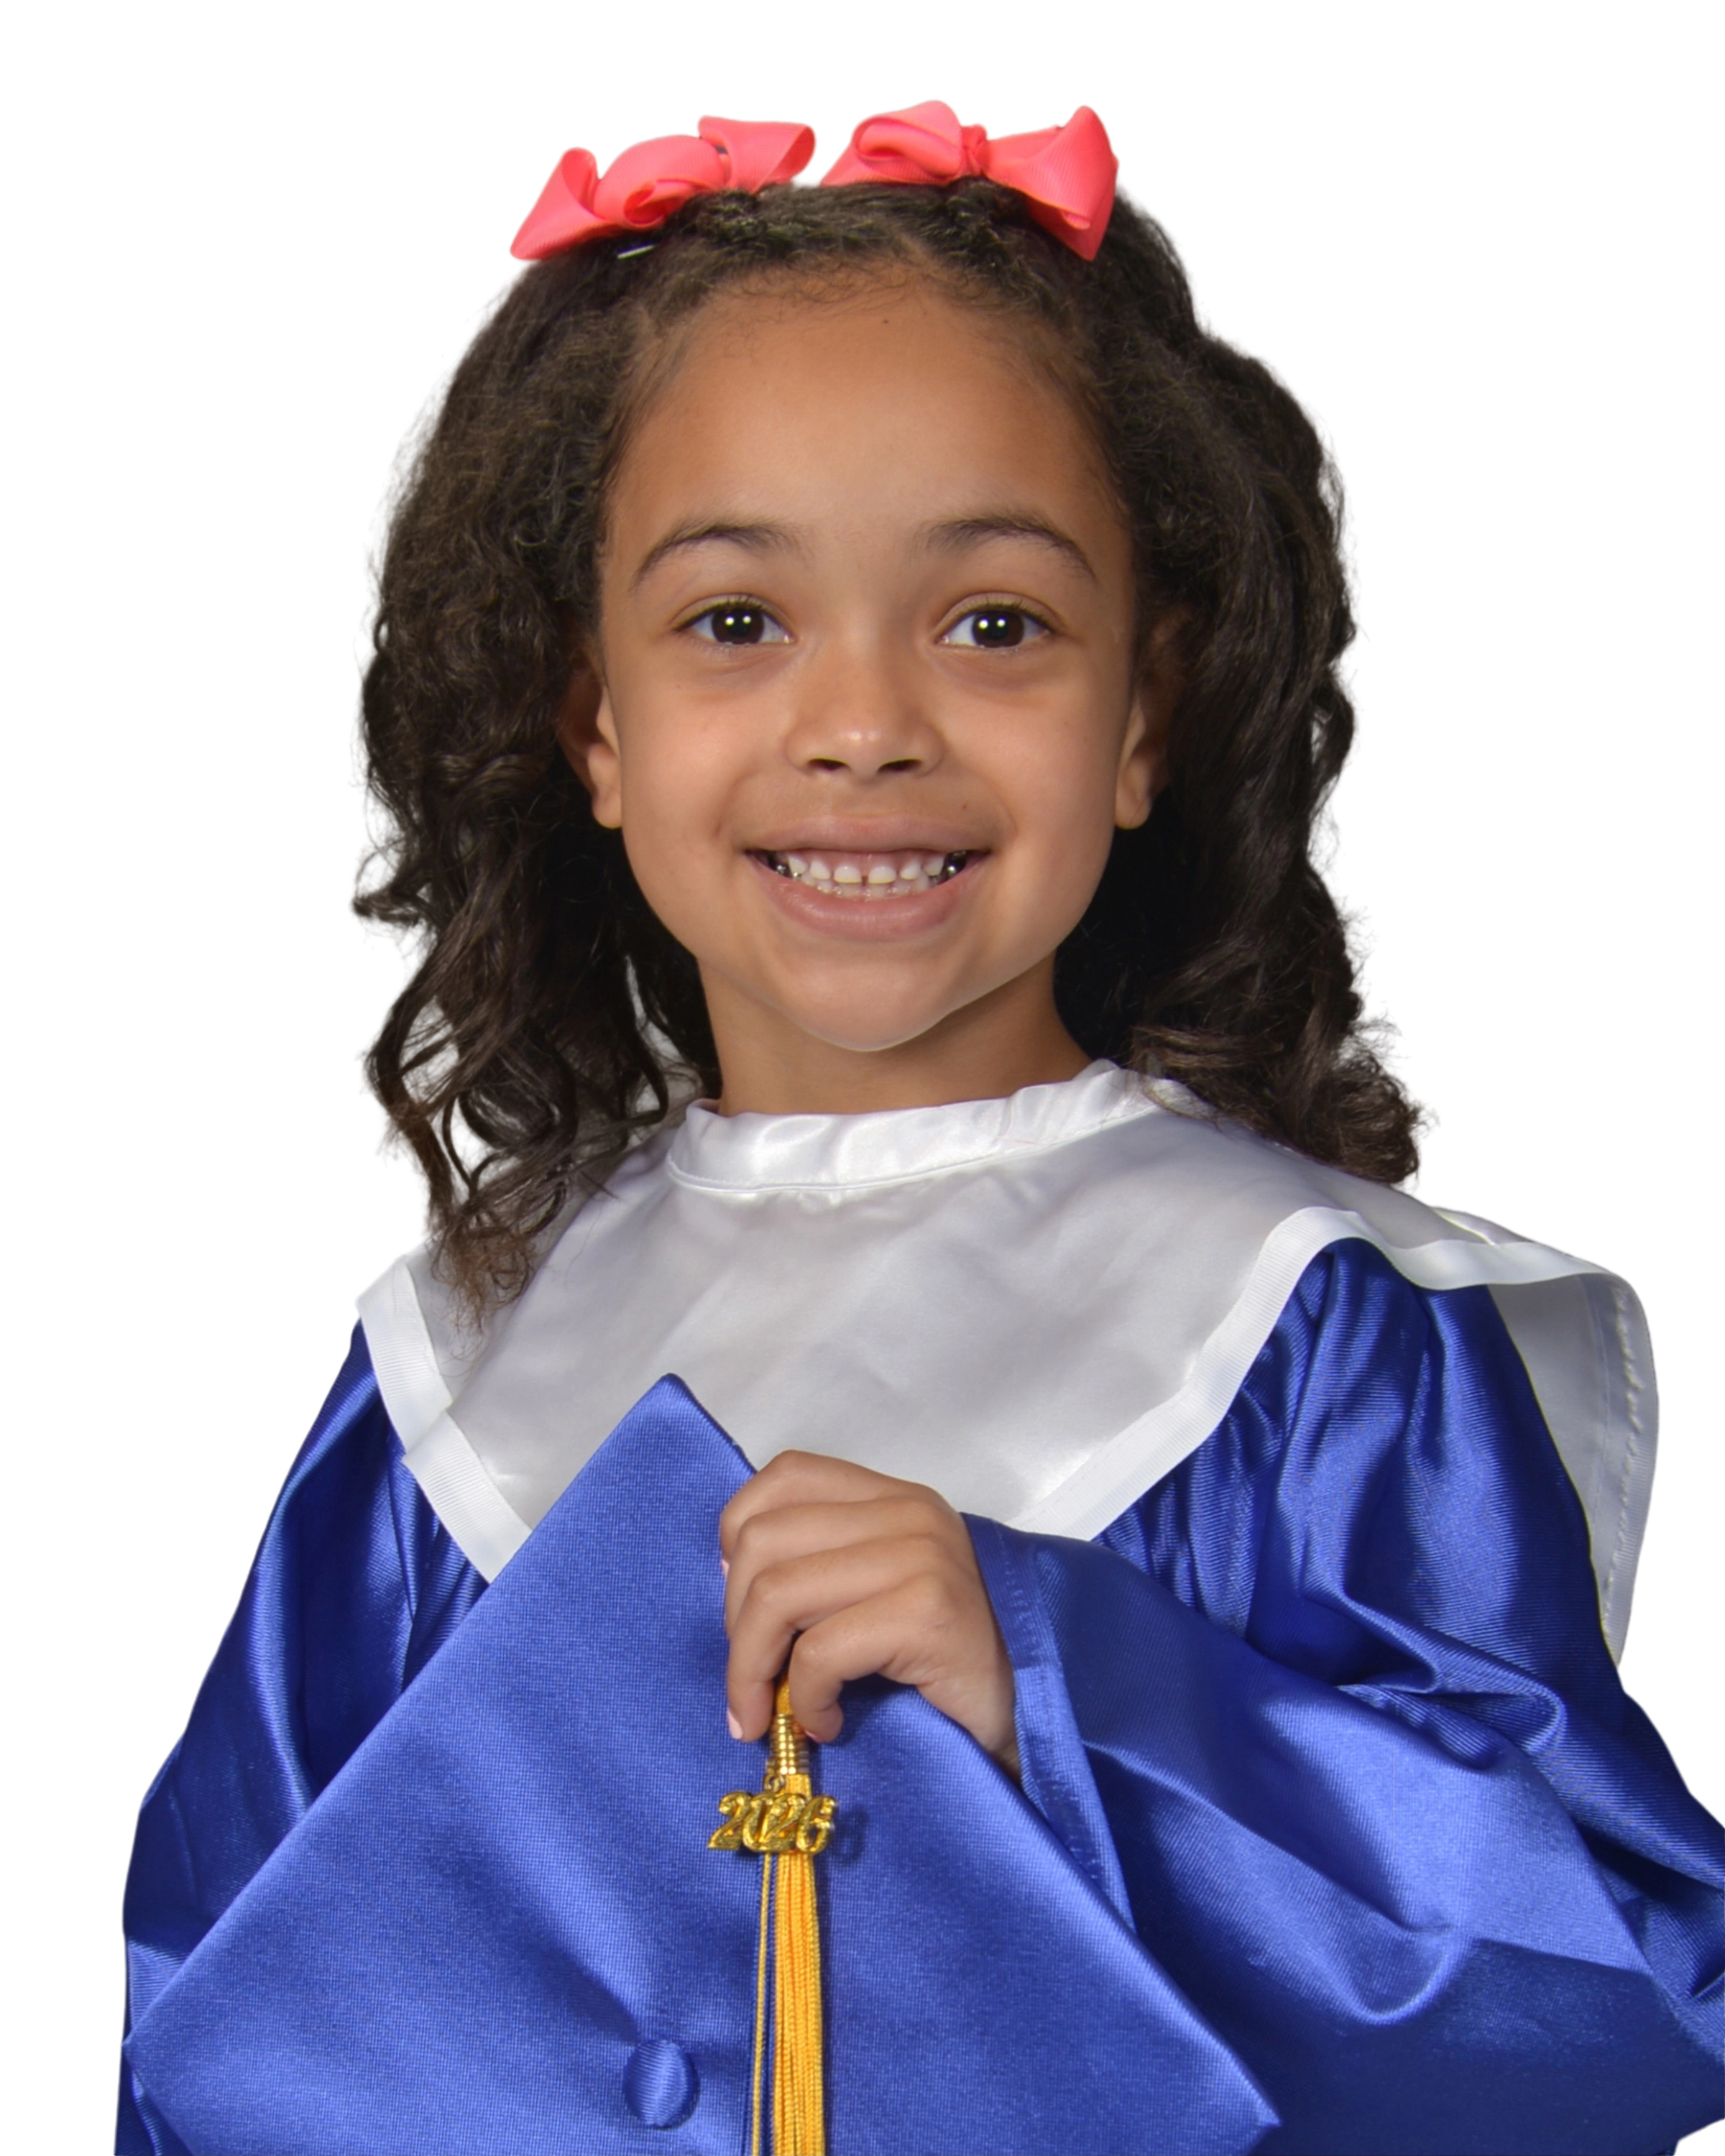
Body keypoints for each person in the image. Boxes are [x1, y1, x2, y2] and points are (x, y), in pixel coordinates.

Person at [114, 102, 1721, 2156]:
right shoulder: (452, 1387)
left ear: (1145, 714)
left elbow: (1620, 1980)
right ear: (593, 724)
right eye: (735, 622)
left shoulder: (1302, 1339)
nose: (864, 725)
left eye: (994, 624)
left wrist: (1055, 1669)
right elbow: (221, 2040)